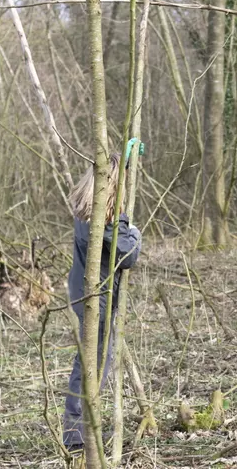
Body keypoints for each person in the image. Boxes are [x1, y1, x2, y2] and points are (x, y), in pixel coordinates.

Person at [62, 152, 142, 452]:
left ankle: (80, 433)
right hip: (97, 299)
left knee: (88, 364)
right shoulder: (103, 217)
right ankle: (77, 437)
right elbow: (128, 253)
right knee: (91, 366)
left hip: (86, 295)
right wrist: (135, 232)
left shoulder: (87, 210)